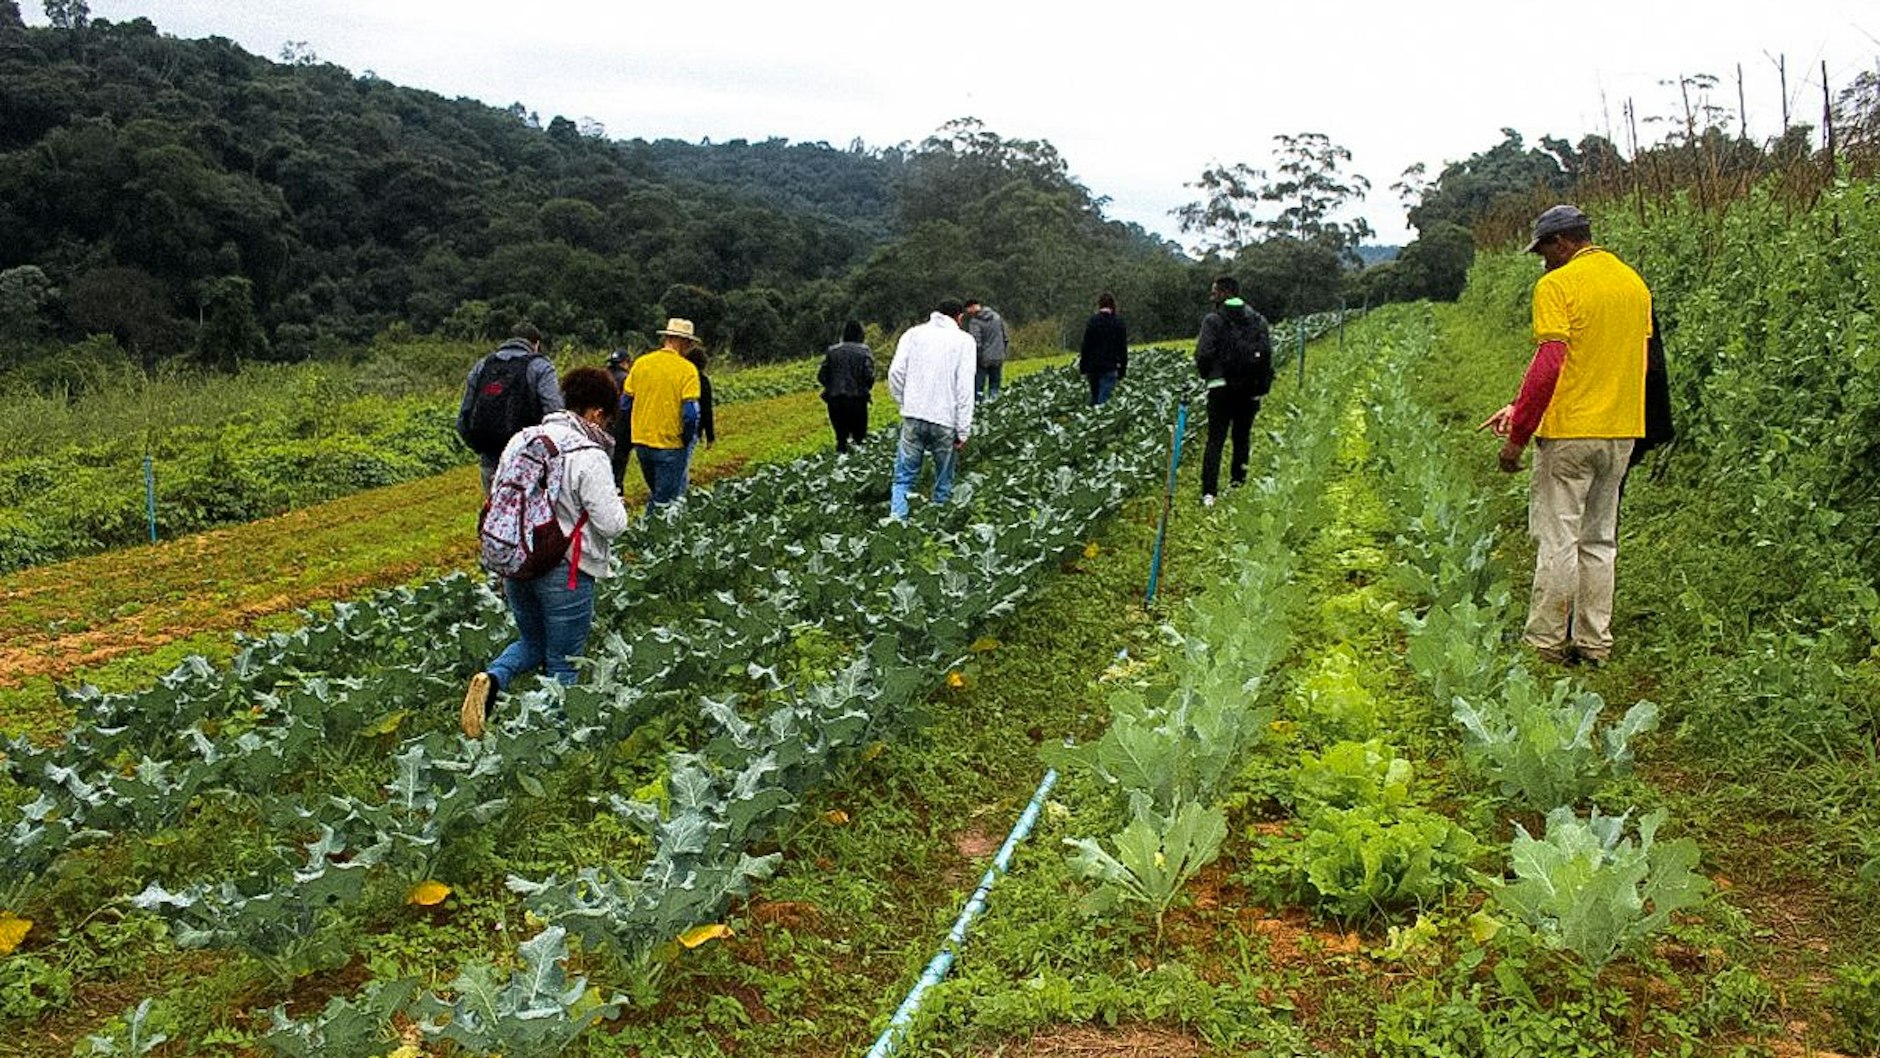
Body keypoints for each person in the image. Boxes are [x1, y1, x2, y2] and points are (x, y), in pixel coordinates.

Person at [1479, 204, 1652, 667]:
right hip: (1621, 430)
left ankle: (1545, 642)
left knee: (1558, 539)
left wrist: (1519, 434)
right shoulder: (1633, 284)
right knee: (1599, 541)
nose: (1543, 260)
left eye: (1544, 250)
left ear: (1562, 243)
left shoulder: (1557, 285)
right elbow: (1627, 362)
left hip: (1571, 433)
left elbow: (1552, 363)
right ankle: (1595, 643)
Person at [461, 366, 630, 737]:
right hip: (565, 569)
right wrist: (619, 500)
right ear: (597, 413)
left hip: (518, 563)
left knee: (532, 641)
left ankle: (491, 678)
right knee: (563, 662)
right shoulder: (589, 454)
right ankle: (550, 740)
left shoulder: (523, 438)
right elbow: (612, 524)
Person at [887, 299, 975, 519]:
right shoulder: (964, 341)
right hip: (945, 418)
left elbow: (895, 374)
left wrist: (904, 402)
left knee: (904, 477)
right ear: (959, 317)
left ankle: (897, 525)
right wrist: (963, 430)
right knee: (943, 478)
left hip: (913, 414)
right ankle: (936, 525)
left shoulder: (912, 334)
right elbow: (964, 387)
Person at [1193, 276, 1273, 506]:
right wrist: (1261, 387)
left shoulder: (1213, 320)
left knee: (1215, 440)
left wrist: (1209, 375)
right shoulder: (1258, 320)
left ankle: (1209, 493)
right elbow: (1266, 355)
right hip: (1249, 390)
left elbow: (1203, 354)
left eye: (1214, 292)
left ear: (1225, 293)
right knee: (1241, 438)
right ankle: (1237, 484)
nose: (1211, 297)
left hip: (1221, 389)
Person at [456, 323, 563, 493]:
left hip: (490, 457)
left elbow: (463, 418)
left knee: (495, 514)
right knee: (530, 515)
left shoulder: (483, 366)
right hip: (529, 459)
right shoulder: (540, 367)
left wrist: (481, 446)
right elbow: (555, 414)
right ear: (535, 344)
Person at [622, 318, 704, 508]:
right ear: (684, 342)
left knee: (658, 491)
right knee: (664, 500)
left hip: (641, 441)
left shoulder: (641, 364)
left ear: (667, 337)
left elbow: (625, 403)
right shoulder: (687, 370)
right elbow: (690, 414)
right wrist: (686, 439)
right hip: (670, 443)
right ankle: (649, 535)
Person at [819, 320, 876, 452]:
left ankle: (840, 465)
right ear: (860, 335)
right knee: (858, 439)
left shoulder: (832, 351)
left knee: (841, 439)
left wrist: (831, 386)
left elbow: (822, 376)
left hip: (835, 401)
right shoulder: (864, 351)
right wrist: (866, 388)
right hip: (857, 399)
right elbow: (868, 376)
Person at [1078, 292, 1128, 405]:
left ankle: (1092, 419)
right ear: (1113, 305)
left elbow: (1086, 346)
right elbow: (1122, 348)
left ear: (1099, 305)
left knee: (1095, 397)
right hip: (1110, 367)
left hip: (1093, 368)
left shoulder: (1092, 321)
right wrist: (1122, 369)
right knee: (1104, 401)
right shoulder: (1119, 323)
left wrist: (1083, 367)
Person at [963, 298, 1009, 403]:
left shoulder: (975, 322)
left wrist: (976, 358)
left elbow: (976, 343)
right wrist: (1002, 353)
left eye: (968, 310)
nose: (968, 313)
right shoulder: (997, 317)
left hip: (982, 360)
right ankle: (994, 407)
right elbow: (1005, 338)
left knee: (979, 387)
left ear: (972, 307)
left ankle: (980, 411)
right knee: (995, 386)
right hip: (998, 357)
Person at [683, 343, 716, 480]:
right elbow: (706, 409)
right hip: (693, 427)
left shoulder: (682, 377)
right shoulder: (702, 381)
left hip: (674, 425)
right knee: (684, 464)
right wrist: (710, 436)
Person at [604, 349, 633, 490]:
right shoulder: (628, 378)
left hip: (600, 426)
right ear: (625, 362)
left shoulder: (602, 376)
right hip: (620, 427)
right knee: (618, 465)